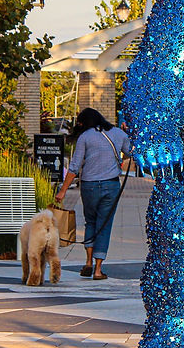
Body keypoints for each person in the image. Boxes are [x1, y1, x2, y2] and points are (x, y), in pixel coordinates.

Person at [55, 108, 130, 280]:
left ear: (86, 122)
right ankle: (97, 270)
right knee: (104, 225)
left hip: (88, 186)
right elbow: (131, 153)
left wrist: (63, 190)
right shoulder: (118, 133)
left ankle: (88, 262)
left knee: (91, 222)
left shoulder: (85, 137)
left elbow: (74, 166)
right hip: (111, 186)